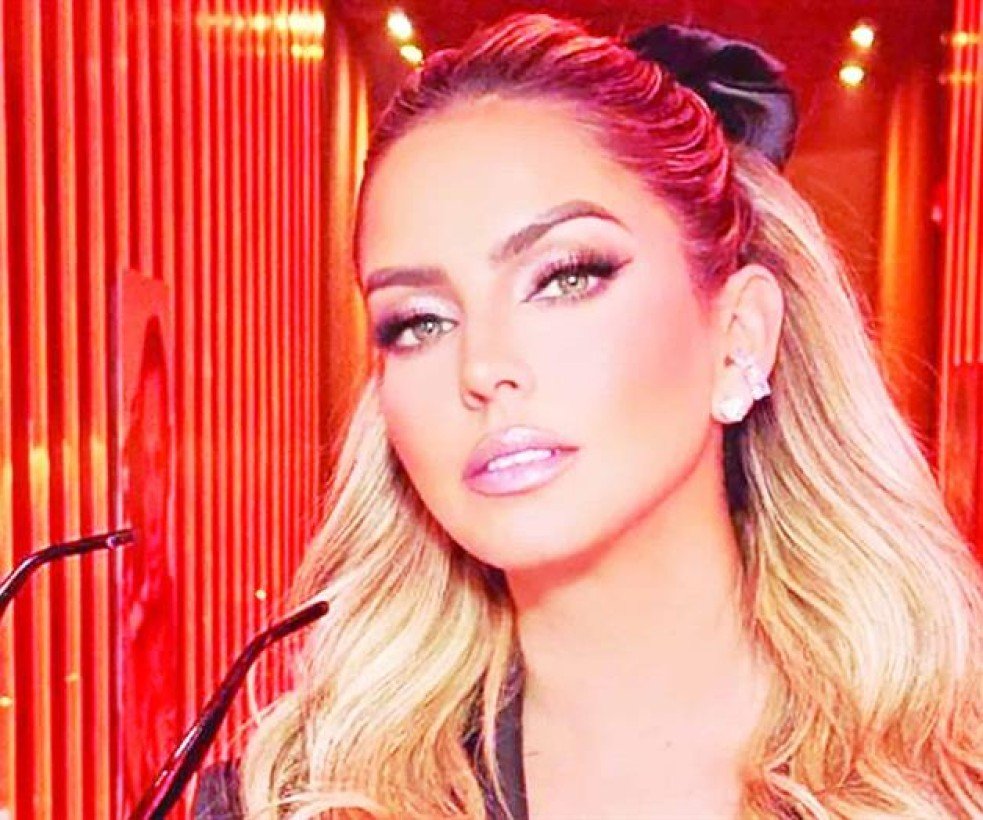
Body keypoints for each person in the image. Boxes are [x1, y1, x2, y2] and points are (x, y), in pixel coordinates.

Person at [195, 12, 983, 819]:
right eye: (419, 322)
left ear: (738, 332)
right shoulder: (287, 800)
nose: (482, 367)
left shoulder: (948, 777)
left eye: (566, 277)